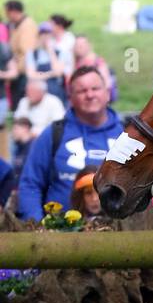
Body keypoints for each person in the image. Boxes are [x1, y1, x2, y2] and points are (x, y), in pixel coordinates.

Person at [16, 66, 123, 220]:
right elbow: (30, 184)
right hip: (60, 235)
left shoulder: (127, 134)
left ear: (107, 93)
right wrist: (38, 228)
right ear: (70, 98)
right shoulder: (53, 134)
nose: (90, 95)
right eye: (82, 91)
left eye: (95, 88)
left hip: (120, 236)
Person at [3, 0, 39, 108]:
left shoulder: (27, 26)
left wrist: (14, 71)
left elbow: (27, 53)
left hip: (23, 73)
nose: (6, 16)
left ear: (13, 12)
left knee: (20, 102)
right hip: (18, 70)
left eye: (7, 13)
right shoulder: (16, 25)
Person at [25, 23, 68, 101]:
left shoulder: (60, 52)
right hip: (38, 93)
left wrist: (50, 51)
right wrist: (50, 74)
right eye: (42, 33)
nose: (45, 36)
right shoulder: (32, 54)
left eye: (48, 33)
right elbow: (31, 75)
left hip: (56, 93)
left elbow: (58, 72)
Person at [9, 117, 34, 184]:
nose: (13, 132)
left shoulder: (34, 148)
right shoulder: (18, 148)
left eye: (16, 129)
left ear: (25, 128)